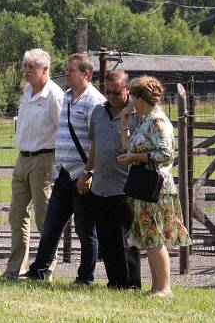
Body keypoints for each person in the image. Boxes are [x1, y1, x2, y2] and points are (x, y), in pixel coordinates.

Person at [23, 53, 105, 285]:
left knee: (85, 231)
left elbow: (97, 142)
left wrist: (90, 173)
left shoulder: (95, 101)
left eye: (72, 70)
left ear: (86, 74)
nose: (66, 74)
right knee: (51, 226)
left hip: (82, 175)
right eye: (66, 70)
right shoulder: (67, 97)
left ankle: (85, 278)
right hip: (63, 174)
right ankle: (38, 271)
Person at [117, 76, 190, 298]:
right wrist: (123, 126)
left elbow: (165, 154)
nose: (130, 102)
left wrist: (135, 157)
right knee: (149, 237)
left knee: (155, 237)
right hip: (145, 187)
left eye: (132, 98)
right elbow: (129, 146)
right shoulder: (145, 120)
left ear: (140, 98)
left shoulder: (158, 121)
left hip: (157, 189)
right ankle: (156, 287)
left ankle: (165, 288)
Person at [4, 49, 64, 280]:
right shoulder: (27, 91)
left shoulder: (54, 96)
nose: (26, 71)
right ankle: (15, 270)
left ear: (45, 70)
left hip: (44, 160)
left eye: (31, 67)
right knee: (17, 216)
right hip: (23, 158)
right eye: (25, 66)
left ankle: (45, 271)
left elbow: (63, 132)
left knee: (44, 218)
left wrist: (56, 165)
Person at [80, 69, 141, 289]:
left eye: (117, 92)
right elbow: (95, 145)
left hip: (125, 186)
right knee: (107, 239)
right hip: (101, 186)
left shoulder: (136, 114)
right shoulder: (98, 111)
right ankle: (114, 282)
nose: (112, 96)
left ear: (127, 90)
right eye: (108, 92)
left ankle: (131, 284)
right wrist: (88, 172)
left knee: (127, 240)